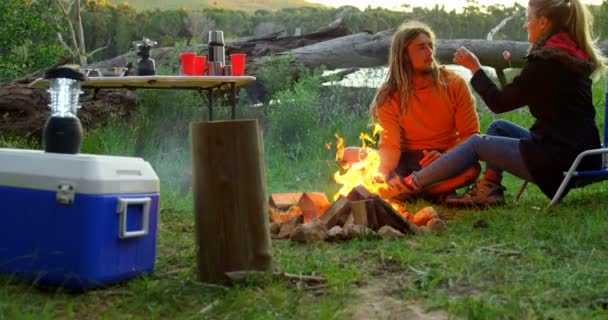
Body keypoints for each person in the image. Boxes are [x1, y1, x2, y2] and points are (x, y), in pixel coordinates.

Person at [380, 0, 607, 207]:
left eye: (528, 20)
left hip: (560, 160)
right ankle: (490, 188)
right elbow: (520, 93)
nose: (525, 26)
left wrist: (475, 69)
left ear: (544, 22)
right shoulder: (569, 55)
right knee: (498, 128)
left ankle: (411, 183)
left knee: (478, 143)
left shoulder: (546, 64)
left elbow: (499, 102)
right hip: (583, 152)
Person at [342, 20, 482, 202]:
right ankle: (425, 190)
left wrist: (445, 156)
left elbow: (470, 135)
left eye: (430, 46)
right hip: (404, 159)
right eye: (421, 48)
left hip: (444, 158)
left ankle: (407, 189)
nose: (430, 53)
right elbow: (391, 147)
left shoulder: (454, 84)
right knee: (347, 154)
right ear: (404, 55)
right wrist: (379, 175)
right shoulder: (390, 94)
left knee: (472, 169)